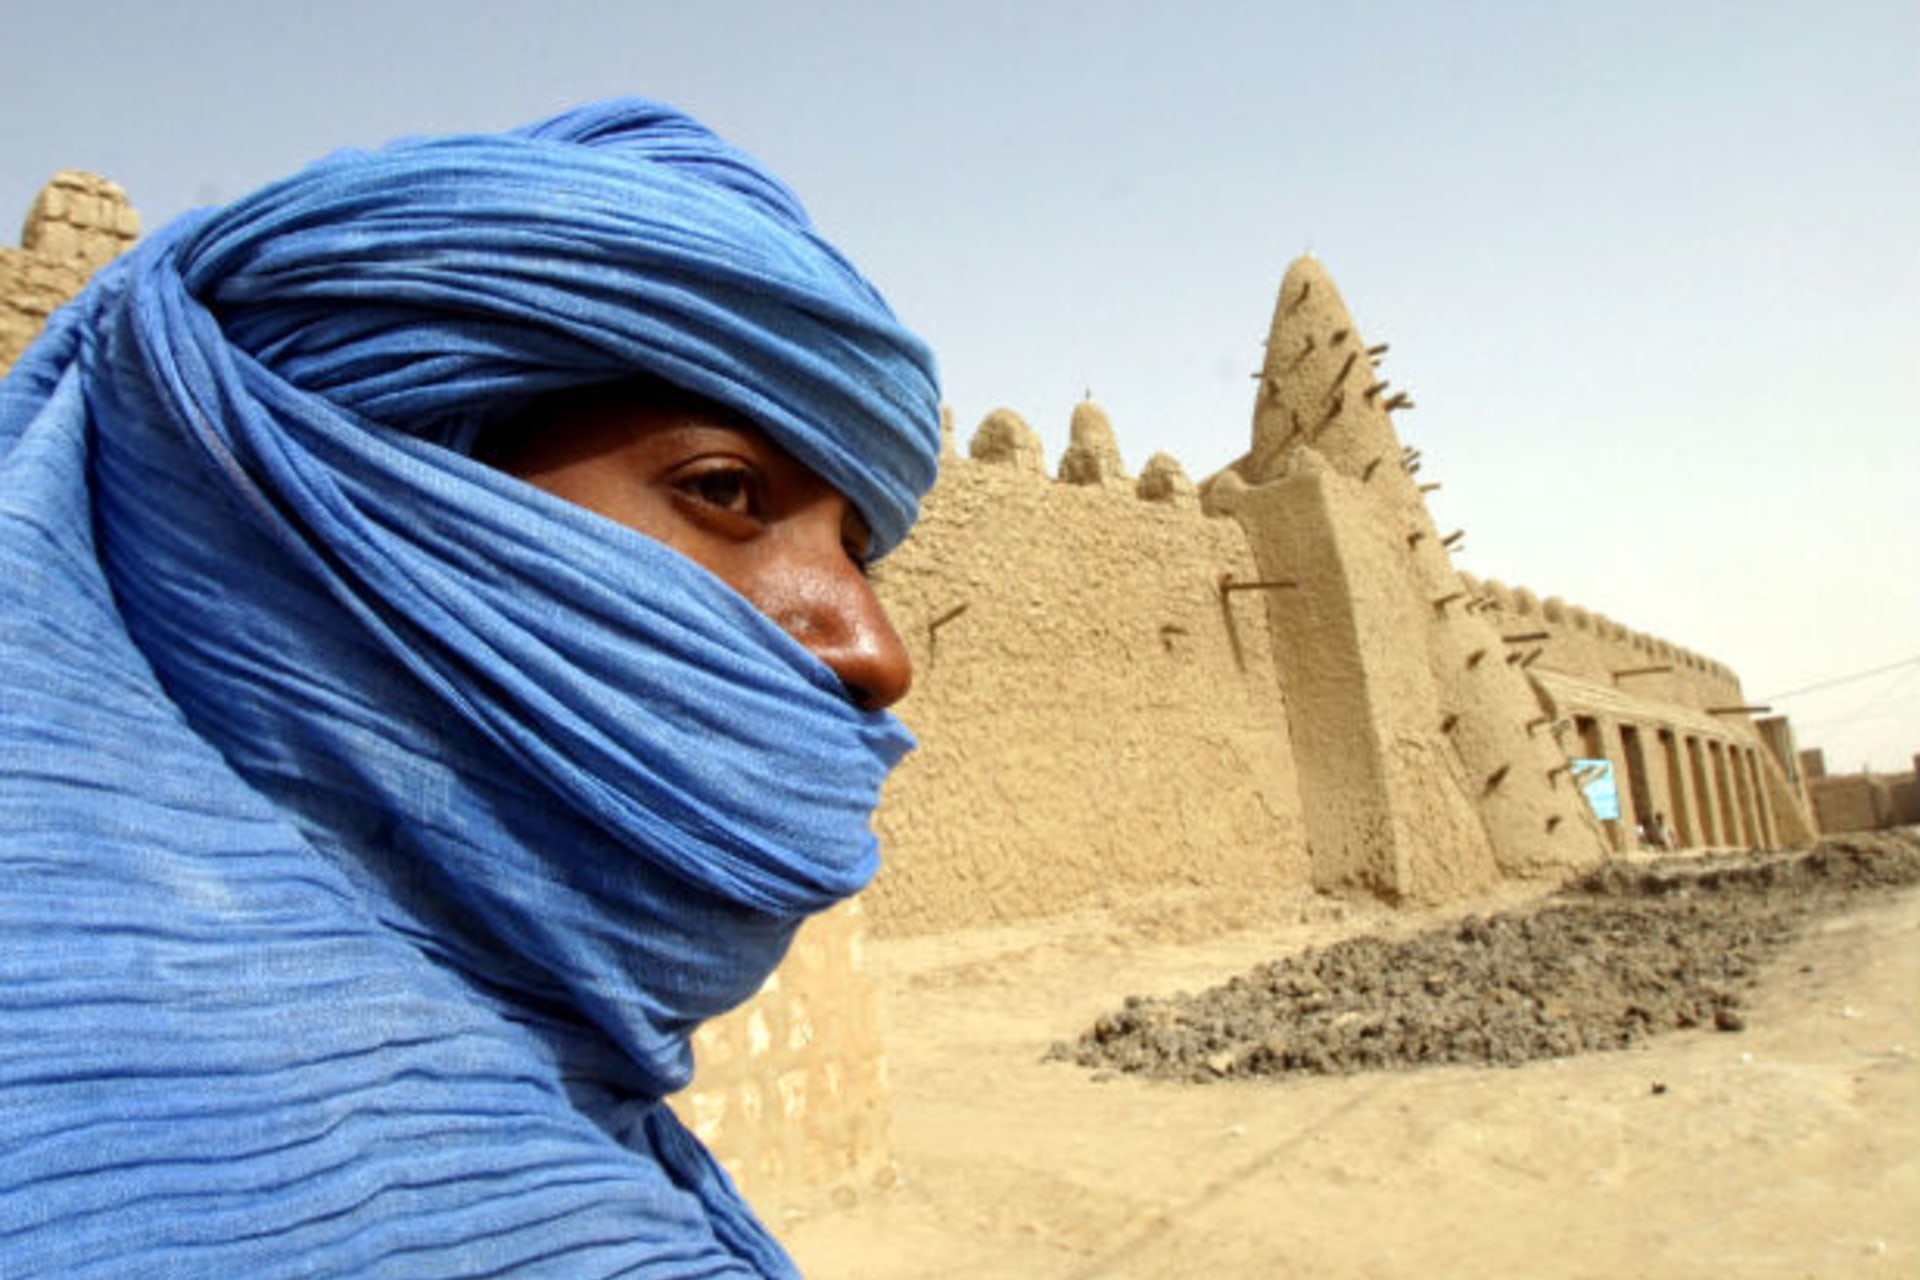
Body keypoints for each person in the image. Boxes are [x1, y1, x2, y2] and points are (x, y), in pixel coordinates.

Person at [0, 100, 939, 1277]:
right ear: (346, 504)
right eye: (726, 489)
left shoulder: (563, 1104)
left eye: (859, 547)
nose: (876, 648)